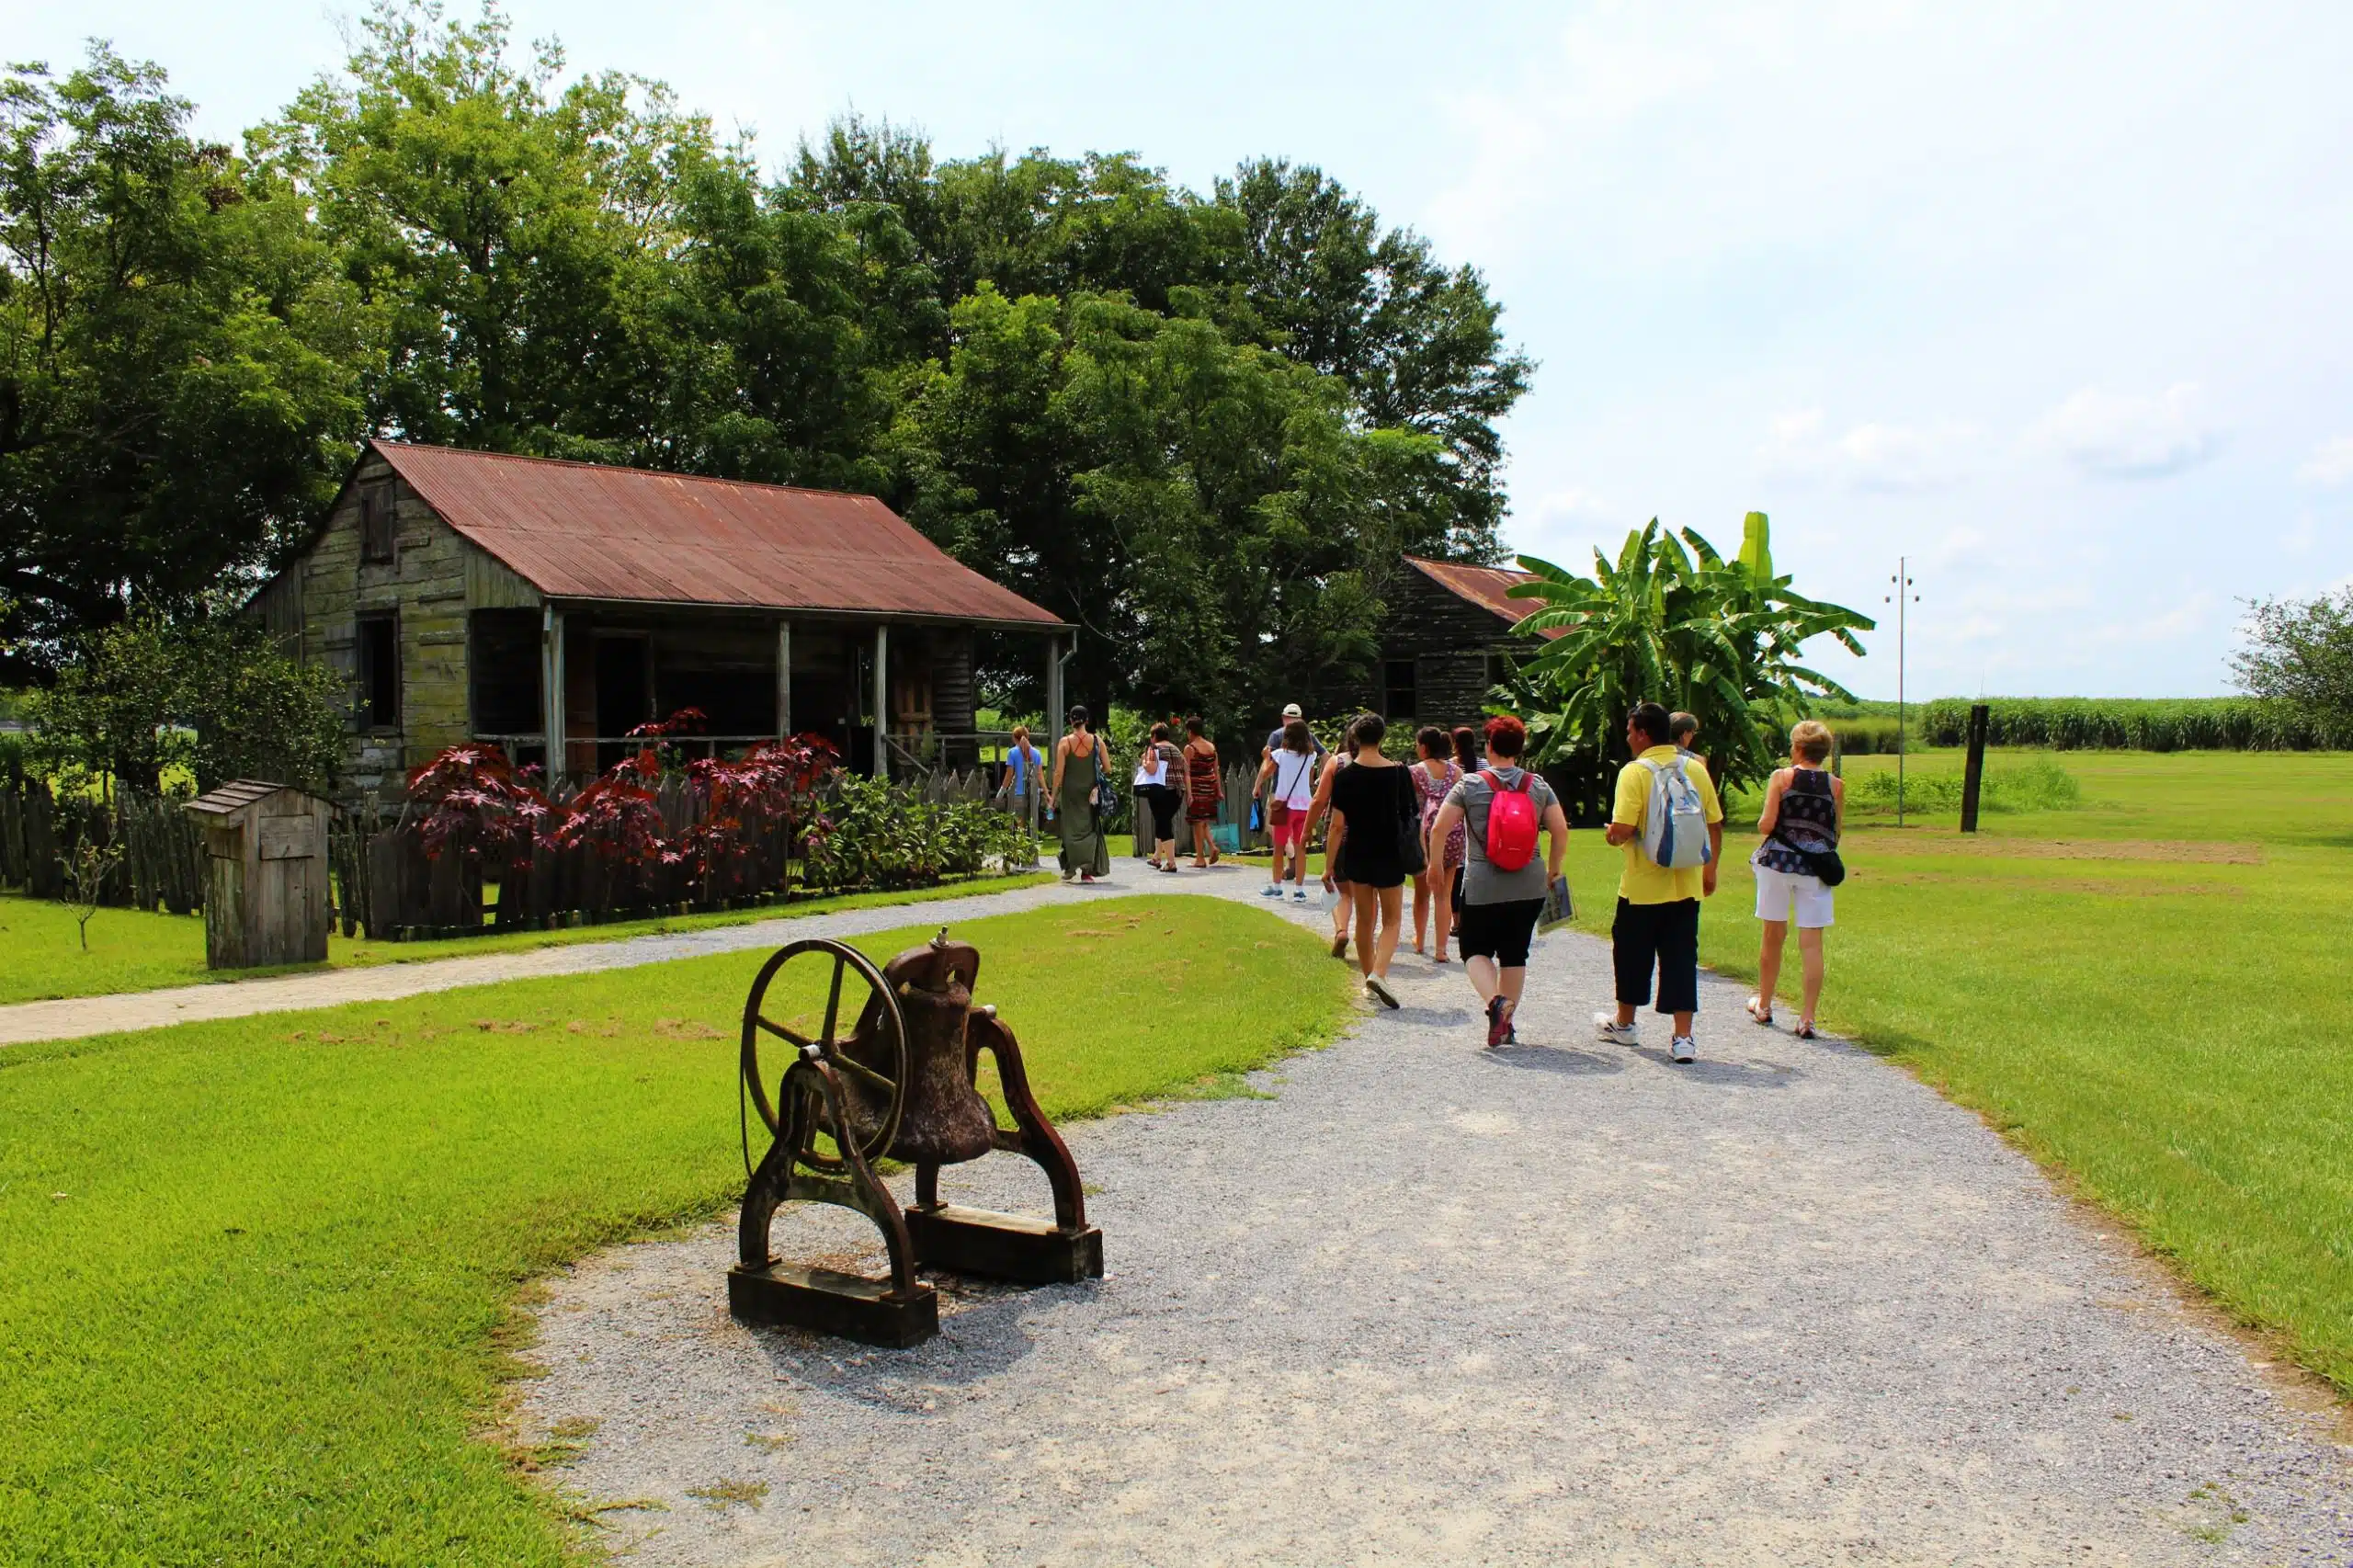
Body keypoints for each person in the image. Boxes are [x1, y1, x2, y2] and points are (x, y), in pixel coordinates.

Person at [1427, 715, 1572, 1046]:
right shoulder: (1538, 785)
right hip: (1530, 882)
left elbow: (1439, 829)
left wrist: (1435, 865)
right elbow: (1560, 830)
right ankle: (1507, 1024)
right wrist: (1553, 868)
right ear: (1519, 749)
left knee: (1474, 950)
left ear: (1489, 746)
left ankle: (1496, 1003)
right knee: (1515, 952)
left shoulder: (1470, 784)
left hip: (1483, 883)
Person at [1597, 701, 1724, 1063]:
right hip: (1686, 884)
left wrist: (1610, 835)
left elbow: (1622, 829)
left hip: (1641, 886)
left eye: (1629, 730)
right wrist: (1710, 869)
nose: (1627, 737)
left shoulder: (1634, 772)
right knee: (1681, 958)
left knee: (1632, 954)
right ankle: (1683, 1037)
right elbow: (1714, 823)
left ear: (1642, 733)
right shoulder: (1695, 768)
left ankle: (1625, 1024)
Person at [1747, 719, 1844, 1039]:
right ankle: (1807, 1017)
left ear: (1799, 748)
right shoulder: (1835, 785)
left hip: (1777, 862)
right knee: (1812, 943)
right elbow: (1835, 832)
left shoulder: (1782, 778)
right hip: (1815, 869)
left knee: (1773, 934)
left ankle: (1764, 1004)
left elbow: (1766, 824)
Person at [1321, 712, 1417, 1009]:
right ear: (1382, 737)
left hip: (1358, 851)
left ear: (1355, 738)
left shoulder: (1345, 776)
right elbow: (1411, 816)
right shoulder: (1400, 773)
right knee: (1391, 920)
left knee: (1365, 919)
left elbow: (1337, 825)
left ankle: (1369, 983)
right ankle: (1379, 973)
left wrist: (1328, 867)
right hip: (1389, 851)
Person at [1409, 726, 1466, 960]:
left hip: (1425, 837)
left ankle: (1421, 941)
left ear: (1424, 747)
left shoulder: (1414, 772)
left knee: (1422, 893)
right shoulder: (1456, 772)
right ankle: (1441, 950)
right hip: (1453, 836)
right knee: (1444, 893)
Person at [1049, 705, 1113, 882]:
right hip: (1090, 793)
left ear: (1071, 721)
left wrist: (1052, 797)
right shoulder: (1097, 741)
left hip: (1070, 793)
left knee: (1070, 830)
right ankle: (1087, 871)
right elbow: (1108, 768)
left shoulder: (1065, 742)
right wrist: (1094, 770)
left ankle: (1070, 868)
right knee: (1089, 829)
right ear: (1087, 720)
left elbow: (1059, 773)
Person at [1259, 718, 1320, 903]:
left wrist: (1265, 758)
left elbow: (1266, 773)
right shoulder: (1310, 757)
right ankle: (1299, 891)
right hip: (1304, 807)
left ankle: (1277, 887)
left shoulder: (1279, 755)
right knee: (1301, 849)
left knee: (1279, 848)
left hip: (1285, 807)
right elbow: (1309, 779)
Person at [1133, 722, 1186, 873]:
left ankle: (1171, 862)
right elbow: (1185, 770)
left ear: (1154, 736)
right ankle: (1157, 857)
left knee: (1163, 823)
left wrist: (1144, 761)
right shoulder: (1176, 750)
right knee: (1162, 821)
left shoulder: (1154, 748)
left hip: (1161, 790)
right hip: (1177, 791)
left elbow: (1151, 768)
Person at [1181, 718, 1222, 867]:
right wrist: (1219, 790)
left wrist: (1189, 794)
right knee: (1203, 821)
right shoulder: (1211, 747)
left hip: (1197, 787)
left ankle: (1200, 858)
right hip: (1210, 786)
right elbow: (1216, 770)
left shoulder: (1190, 748)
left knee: (1197, 822)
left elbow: (1187, 773)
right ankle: (1212, 846)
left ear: (1190, 731)